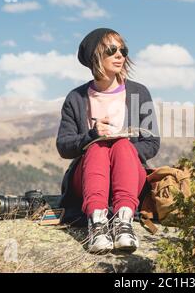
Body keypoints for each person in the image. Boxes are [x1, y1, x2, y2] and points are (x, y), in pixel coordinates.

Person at [55, 28, 160, 253]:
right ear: (95, 56)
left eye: (123, 50)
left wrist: (121, 148)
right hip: (89, 174)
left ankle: (124, 221)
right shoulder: (76, 98)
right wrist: (92, 135)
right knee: (99, 146)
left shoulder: (139, 93)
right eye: (112, 50)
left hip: (129, 173)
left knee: (122, 145)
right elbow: (64, 146)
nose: (120, 55)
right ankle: (98, 223)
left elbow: (152, 143)